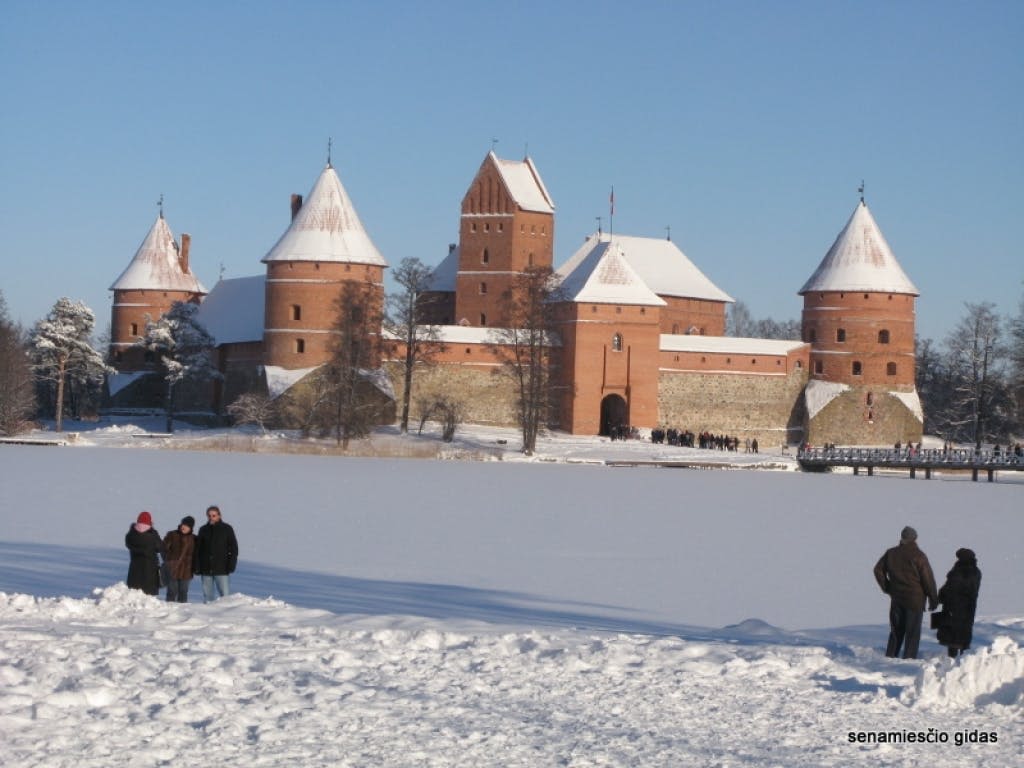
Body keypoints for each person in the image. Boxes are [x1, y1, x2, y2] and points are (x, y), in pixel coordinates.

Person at [873, 525, 938, 659]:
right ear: (915, 538)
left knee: (896, 631)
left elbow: (877, 570)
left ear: (902, 538)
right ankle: (909, 660)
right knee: (912, 633)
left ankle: (890, 657)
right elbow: (928, 579)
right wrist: (933, 598)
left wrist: (888, 587)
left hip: (897, 598)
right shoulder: (919, 556)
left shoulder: (891, 553)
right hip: (915, 600)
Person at [936, 548, 982, 658]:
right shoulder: (976, 571)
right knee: (965, 631)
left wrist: (940, 597)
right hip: (969, 607)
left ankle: (952, 658)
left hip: (954, 606)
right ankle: (963, 656)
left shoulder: (959, 571)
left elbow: (950, 587)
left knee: (952, 633)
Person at [195, 505, 238, 603]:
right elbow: (198, 550)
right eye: (209, 515)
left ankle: (226, 612)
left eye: (213, 515)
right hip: (206, 568)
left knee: (225, 596)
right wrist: (197, 566)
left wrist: (231, 564)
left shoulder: (227, 529)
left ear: (219, 515)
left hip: (222, 568)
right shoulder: (203, 529)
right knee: (208, 597)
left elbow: (234, 548)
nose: (211, 518)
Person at [125, 511, 162, 596]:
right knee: (149, 596)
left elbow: (128, 544)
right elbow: (160, 547)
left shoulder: (131, 534)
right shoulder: (153, 534)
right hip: (150, 569)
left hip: (135, 569)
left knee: (134, 594)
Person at [162, 515, 197, 603]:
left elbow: (197, 554)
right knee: (172, 591)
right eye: (183, 524)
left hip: (186, 570)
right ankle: (169, 609)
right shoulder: (172, 535)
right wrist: (168, 561)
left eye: (186, 525)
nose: (183, 527)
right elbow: (163, 548)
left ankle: (182, 610)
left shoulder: (194, 539)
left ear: (191, 527)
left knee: (183, 592)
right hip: (172, 569)